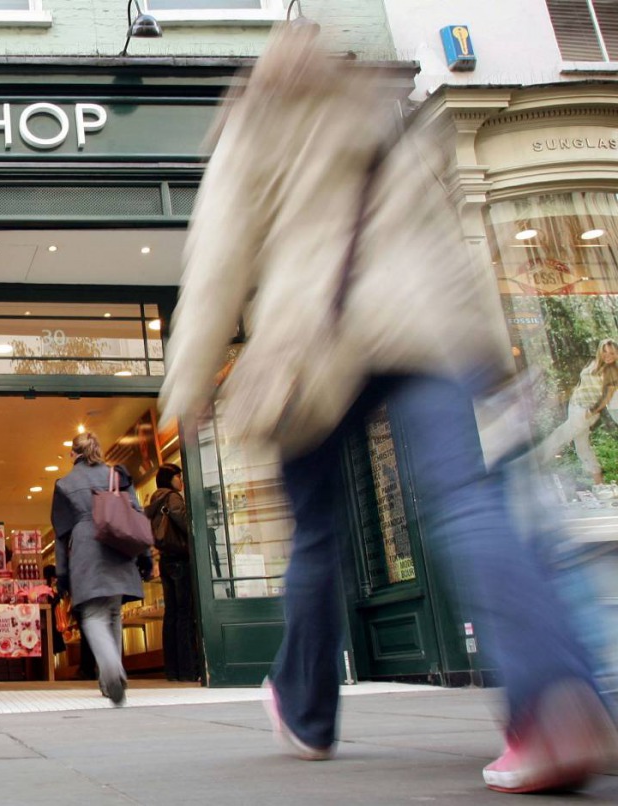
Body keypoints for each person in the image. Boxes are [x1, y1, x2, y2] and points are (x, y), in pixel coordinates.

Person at [157, 19, 618, 795]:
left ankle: (305, 711)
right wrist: (489, 356)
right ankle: (552, 704)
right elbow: (445, 244)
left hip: (314, 345)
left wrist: (187, 384)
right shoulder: (380, 112)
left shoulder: (256, 123)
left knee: (317, 536)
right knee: (469, 504)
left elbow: (217, 258)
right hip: (425, 332)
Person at [51, 431, 153, 705]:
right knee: (113, 613)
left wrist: (62, 574)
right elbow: (136, 516)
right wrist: (145, 557)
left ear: (73, 454)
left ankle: (110, 670)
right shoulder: (116, 475)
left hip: (86, 550)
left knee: (94, 616)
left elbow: (61, 535)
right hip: (119, 547)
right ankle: (112, 676)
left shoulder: (64, 484)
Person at [538, 338, 618, 485]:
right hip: (575, 405)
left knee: (561, 435)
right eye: (605, 352)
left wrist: (592, 411)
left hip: (587, 410)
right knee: (581, 446)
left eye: (612, 353)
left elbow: (607, 397)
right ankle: (598, 482)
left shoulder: (612, 371)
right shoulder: (593, 363)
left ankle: (537, 464)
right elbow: (582, 383)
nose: (608, 356)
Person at [147, 463, 198, 682]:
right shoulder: (173, 497)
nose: (181, 480)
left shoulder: (155, 498)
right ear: (171, 478)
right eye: (179, 476)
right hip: (180, 559)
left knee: (172, 615)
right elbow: (186, 523)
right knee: (185, 614)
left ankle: (173, 668)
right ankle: (188, 669)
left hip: (166, 559)